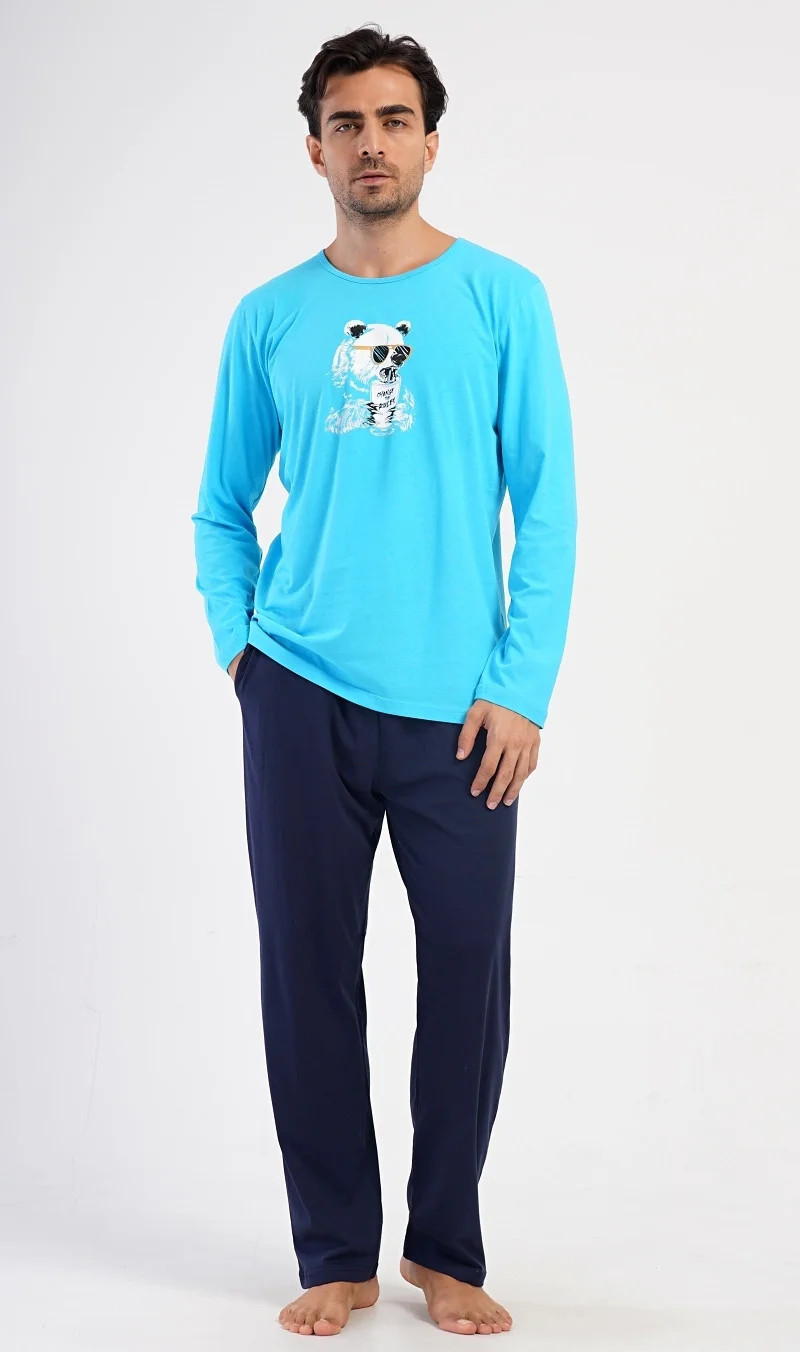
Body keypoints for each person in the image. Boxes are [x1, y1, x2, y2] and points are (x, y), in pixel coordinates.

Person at [192, 22, 577, 1338]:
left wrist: (523, 686)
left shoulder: (503, 299)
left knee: (467, 978)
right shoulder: (269, 316)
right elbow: (219, 506)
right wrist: (244, 649)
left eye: (394, 119)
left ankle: (445, 1249)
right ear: (315, 149)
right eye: (347, 122)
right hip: (298, 691)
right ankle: (336, 1252)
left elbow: (549, 505)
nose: (372, 142)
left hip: (463, 711)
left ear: (431, 141)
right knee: (308, 975)